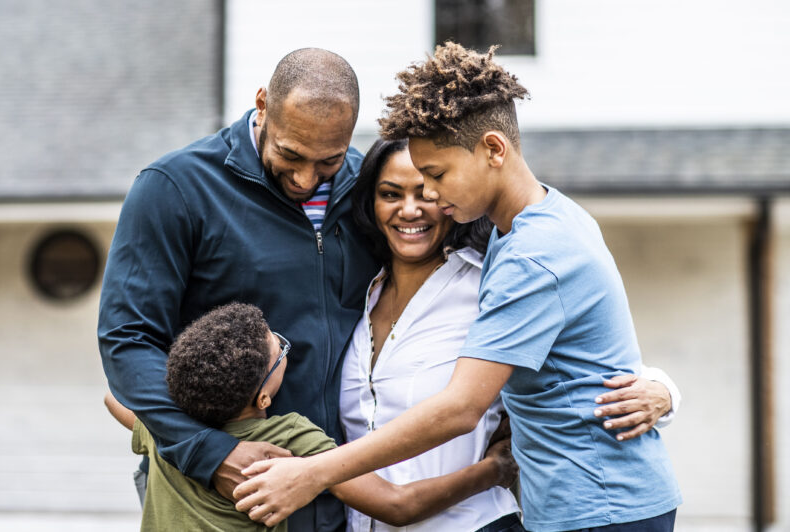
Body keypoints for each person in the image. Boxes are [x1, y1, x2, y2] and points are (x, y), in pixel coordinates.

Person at [234, 42, 682, 532]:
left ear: (493, 149)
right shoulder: (542, 226)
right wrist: (663, 388)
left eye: (436, 174)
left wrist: (312, 472)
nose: (427, 194)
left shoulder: (531, 255)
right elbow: (584, 357)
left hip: (601, 507)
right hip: (580, 503)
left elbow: (461, 408)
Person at [98, 47, 381, 531]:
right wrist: (211, 452)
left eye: (328, 161)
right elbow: (128, 341)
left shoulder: (372, 191)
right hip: (216, 495)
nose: (305, 178)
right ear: (262, 105)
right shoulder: (175, 188)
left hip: (340, 498)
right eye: (290, 154)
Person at [338, 139, 680, 532]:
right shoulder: (355, 293)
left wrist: (662, 388)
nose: (413, 207)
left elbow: (582, 349)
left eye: (430, 186)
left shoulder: (494, 278)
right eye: (391, 194)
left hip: (487, 521)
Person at [104, 302, 518, 531]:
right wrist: (494, 469)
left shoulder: (167, 430)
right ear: (264, 397)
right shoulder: (287, 436)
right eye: (279, 351)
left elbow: (114, 400)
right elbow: (396, 505)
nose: (285, 349)